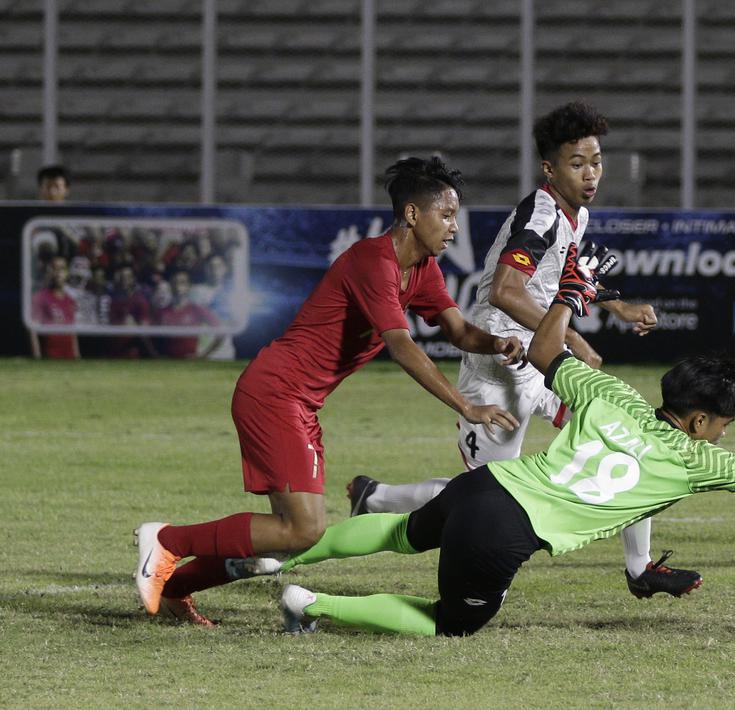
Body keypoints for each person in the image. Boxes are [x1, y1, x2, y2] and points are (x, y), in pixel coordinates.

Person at [275, 242, 735, 637]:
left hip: (486, 485)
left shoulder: (608, 393)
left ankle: (285, 560)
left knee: (398, 533)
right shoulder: (697, 460)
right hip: (507, 530)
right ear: (701, 420)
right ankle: (314, 604)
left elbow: (543, 349)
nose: (728, 431)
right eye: (726, 420)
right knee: (456, 621)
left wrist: (569, 293)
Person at [132, 156, 525, 626]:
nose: (455, 228)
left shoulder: (421, 270)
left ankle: (178, 586)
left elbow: (459, 331)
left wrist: (496, 342)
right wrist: (467, 406)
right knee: (303, 528)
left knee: (292, 535)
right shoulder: (373, 261)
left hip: (299, 402)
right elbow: (400, 348)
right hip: (275, 392)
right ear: (413, 215)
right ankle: (169, 541)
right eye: (446, 215)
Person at [346, 101, 687, 599]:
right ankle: (377, 499)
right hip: (500, 358)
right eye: (577, 163)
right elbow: (507, 290)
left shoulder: (576, 213)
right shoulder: (541, 213)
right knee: (485, 498)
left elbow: (563, 274)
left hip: (541, 355)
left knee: (626, 437)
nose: (590, 173)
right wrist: (572, 337)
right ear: (550, 168)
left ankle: (640, 569)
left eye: (595, 161)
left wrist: (618, 306)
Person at [156, 269, 222, 359]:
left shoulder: (197, 310)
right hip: (167, 363)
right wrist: (155, 355)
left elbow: (221, 333)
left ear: (189, 286)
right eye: (174, 282)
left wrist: (203, 355)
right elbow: (149, 336)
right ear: (170, 285)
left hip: (189, 363)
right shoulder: (161, 312)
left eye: (182, 283)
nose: (178, 286)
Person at [29, 255, 80, 359]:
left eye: (62, 269)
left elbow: (73, 332)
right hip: (50, 357)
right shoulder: (41, 297)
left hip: (69, 357)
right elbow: (33, 330)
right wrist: (37, 356)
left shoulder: (70, 300)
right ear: (50, 271)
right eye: (55, 268)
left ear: (67, 273)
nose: (58, 273)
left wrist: (77, 355)